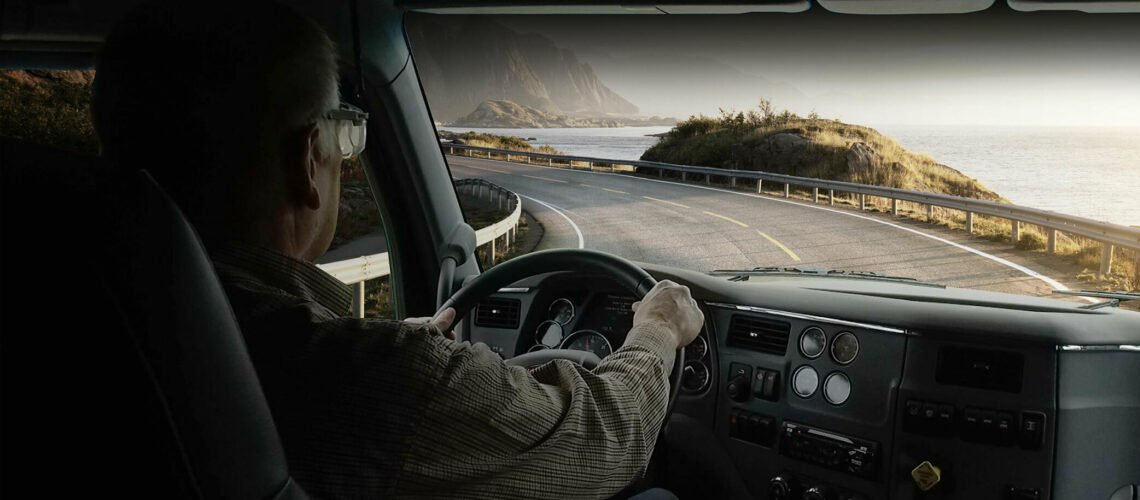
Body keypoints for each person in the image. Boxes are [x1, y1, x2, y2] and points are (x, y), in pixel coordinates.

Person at [90, 1, 704, 498]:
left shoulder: (83, 310)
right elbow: (603, 443)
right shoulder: (372, 377)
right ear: (310, 159)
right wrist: (654, 331)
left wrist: (388, 344)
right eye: (347, 133)